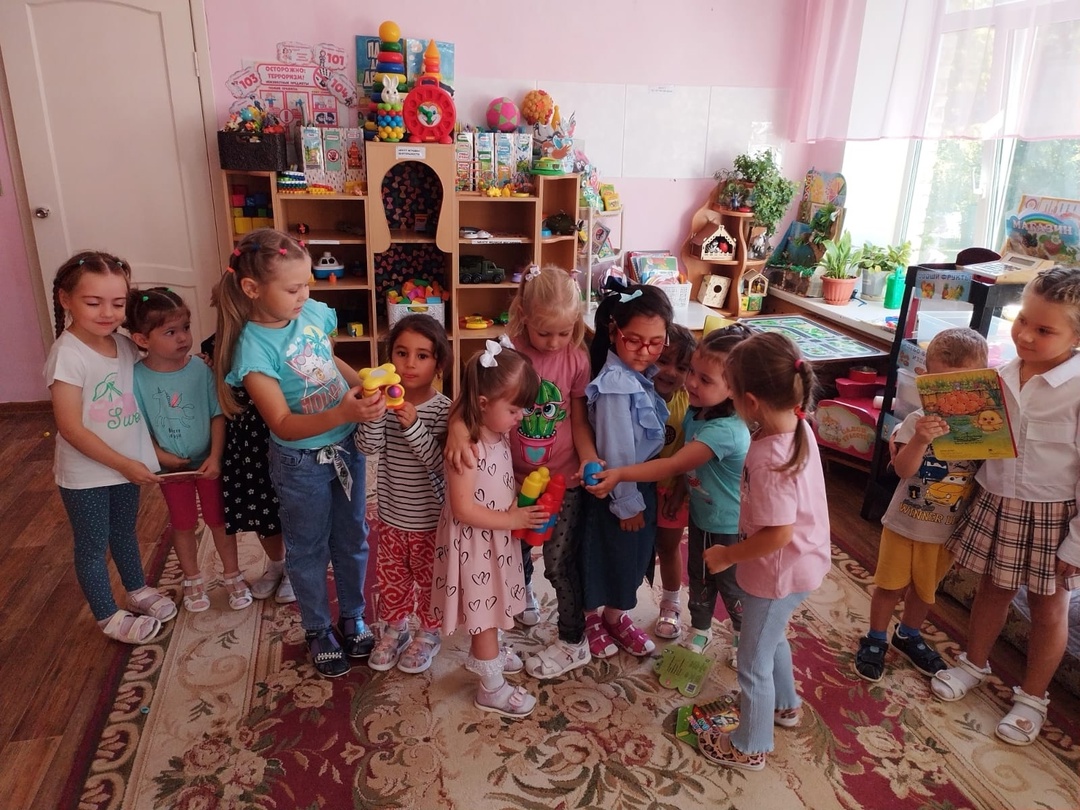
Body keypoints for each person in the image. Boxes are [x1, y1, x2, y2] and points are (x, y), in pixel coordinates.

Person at [218, 228, 381, 678]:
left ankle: (353, 615)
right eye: (293, 289)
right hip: (300, 463)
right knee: (308, 548)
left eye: (306, 284)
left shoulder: (309, 313)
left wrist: (362, 383)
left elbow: (329, 361)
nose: (304, 295)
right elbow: (282, 423)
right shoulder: (252, 350)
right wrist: (341, 411)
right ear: (252, 288)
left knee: (352, 536)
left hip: (347, 447)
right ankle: (318, 628)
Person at [931, 267, 1080, 746]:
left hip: (1053, 515)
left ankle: (1033, 697)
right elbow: (979, 443)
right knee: (992, 589)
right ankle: (973, 663)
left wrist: (1076, 545)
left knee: (1048, 607)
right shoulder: (999, 374)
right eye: (1022, 321)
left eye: (1044, 330)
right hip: (997, 499)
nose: (1026, 336)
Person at [696, 332, 831, 771]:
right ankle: (785, 705)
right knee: (770, 639)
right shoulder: (798, 425)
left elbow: (777, 533)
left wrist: (727, 556)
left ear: (750, 402)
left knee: (752, 660)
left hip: (776, 572)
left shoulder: (770, 458)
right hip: (803, 562)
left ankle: (750, 745)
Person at [588, 325, 753, 664]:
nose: (690, 382)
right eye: (693, 372)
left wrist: (621, 474)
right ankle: (701, 629)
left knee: (732, 586)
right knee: (701, 577)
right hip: (703, 516)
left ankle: (746, 640)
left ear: (734, 389)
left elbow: (675, 463)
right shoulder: (698, 410)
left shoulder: (725, 431)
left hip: (729, 525)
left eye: (704, 379)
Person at [45, 250, 176, 644]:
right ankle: (106, 615)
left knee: (124, 532)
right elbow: (70, 428)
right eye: (93, 302)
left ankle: (136, 589)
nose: (107, 313)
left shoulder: (122, 344)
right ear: (66, 299)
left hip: (125, 466)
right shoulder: (67, 355)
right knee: (92, 544)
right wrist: (123, 463)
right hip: (87, 474)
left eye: (118, 303)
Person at [853, 327, 987, 682]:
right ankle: (876, 637)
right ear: (925, 380)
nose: (954, 394)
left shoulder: (983, 426)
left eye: (964, 385)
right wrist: (920, 440)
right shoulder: (916, 421)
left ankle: (908, 634)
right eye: (943, 385)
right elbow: (902, 470)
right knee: (890, 586)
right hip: (904, 522)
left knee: (925, 592)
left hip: (946, 531)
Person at [430, 341, 548, 717]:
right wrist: (512, 520)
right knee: (483, 613)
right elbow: (463, 508)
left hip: (493, 537)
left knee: (492, 603)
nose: (520, 417)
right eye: (514, 410)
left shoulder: (489, 428)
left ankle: (488, 655)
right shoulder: (467, 446)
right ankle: (491, 687)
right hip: (474, 544)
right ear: (483, 404)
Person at [128, 288, 252, 613]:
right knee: (182, 523)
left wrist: (215, 456)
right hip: (171, 469)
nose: (183, 337)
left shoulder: (201, 369)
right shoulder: (136, 378)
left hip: (208, 464)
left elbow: (217, 414)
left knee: (218, 520)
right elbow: (137, 426)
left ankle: (232, 574)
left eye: (185, 327)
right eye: (170, 332)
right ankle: (193, 579)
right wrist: (160, 457)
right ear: (142, 339)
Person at [578, 284, 674, 659]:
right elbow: (616, 449)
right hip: (618, 489)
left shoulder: (638, 372)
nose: (645, 351)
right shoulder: (616, 384)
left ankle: (616, 616)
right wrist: (627, 502)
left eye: (656, 342)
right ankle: (590, 618)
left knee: (632, 558)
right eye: (634, 340)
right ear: (613, 331)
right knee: (605, 556)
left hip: (638, 484)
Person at [356, 315, 451, 674]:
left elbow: (440, 464)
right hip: (392, 515)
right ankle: (395, 629)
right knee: (392, 579)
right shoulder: (382, 403)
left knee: (430, 581)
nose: (410, 363)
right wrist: (373, 413)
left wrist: (413, 427)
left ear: (438, 364)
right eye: (401, 353)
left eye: (422, 356)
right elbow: (367, 447)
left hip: (430, 520)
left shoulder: (444, 410)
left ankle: (428, 633)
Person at [204, 330, 294, 606]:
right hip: (244, 439)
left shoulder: (282, 335)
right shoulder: (215, 346)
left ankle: (296, 567)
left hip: (283, 432)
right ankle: (278, 564)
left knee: (292, 505)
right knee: (260, 507)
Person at [650, 324, 696, 643]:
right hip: (636, 488)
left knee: (668, 548)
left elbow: (691, 452)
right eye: (663, 360)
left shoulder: (689, 403)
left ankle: (671, 602)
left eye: (681, 367)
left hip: (671, 491)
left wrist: (680, 491)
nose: (670, 372)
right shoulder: (634, 391)